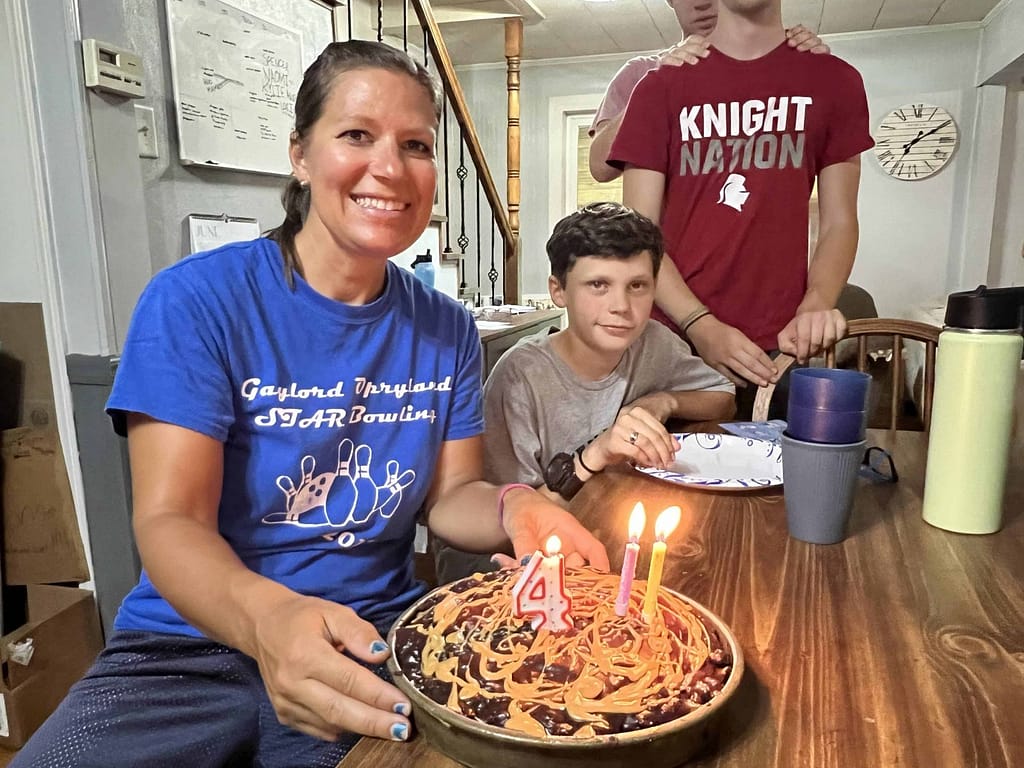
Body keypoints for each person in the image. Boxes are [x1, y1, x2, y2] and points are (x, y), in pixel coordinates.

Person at [12, 41, 608, 768]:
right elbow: (169, 521)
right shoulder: (196, 301)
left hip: (370, 638)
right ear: (300, 154)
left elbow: (450, 497)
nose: (389, 167)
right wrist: (270, 621)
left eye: (415, 145)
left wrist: (517, 505)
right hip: (186, 647)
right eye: (356, 135)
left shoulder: (444, 326)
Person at [435, 203, 734, 582]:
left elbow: (722, 395)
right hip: (507, 569)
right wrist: (596, 453)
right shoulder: (520, 377)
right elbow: (517, 520)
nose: (622, 307)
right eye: (598, 285)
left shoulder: (654, 343)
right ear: (558, 291)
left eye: (637, 286)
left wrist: (662, 401)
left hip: (601, 540)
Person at [610, 0, 873, 417]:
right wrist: (701, 324)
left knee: (786, 481)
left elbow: (839, 220)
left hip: (781, 346)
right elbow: (640, 235)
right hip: (672, 344)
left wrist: (817, 303)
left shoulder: (835, 81)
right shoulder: (658, 87)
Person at [588, 0, 830, 184]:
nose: (702, 3)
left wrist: (806, 65)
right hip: (666, 245)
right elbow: (600, 167)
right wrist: (654, 85)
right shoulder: (642, 72)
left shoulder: (777, 67)